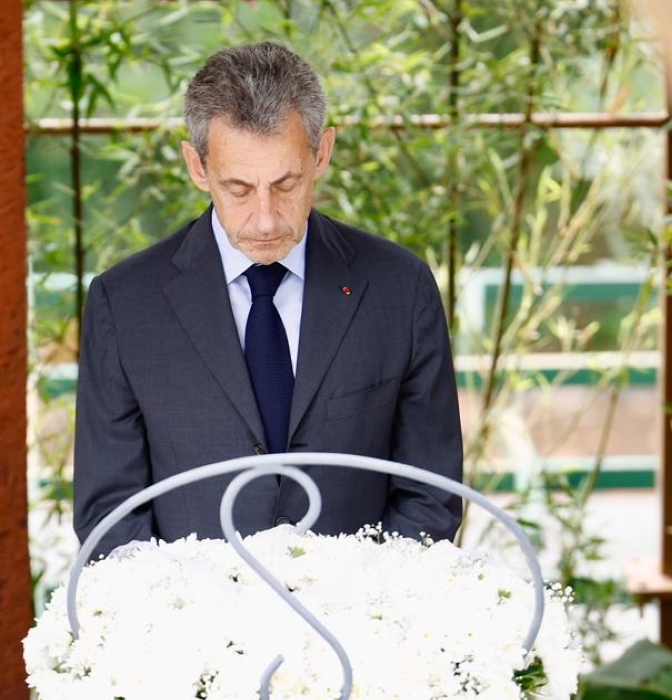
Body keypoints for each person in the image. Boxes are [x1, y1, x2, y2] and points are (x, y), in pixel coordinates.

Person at [73, 42, 463, 556]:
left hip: (356, 624)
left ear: (322, 154)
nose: (264, 219)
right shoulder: (123, 305)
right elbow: (110, 514)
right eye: (238, 188)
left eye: (286, 184)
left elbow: (430, 496)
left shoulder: (400, 288)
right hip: (194, 629)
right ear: (197, 167)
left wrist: (364, 610)